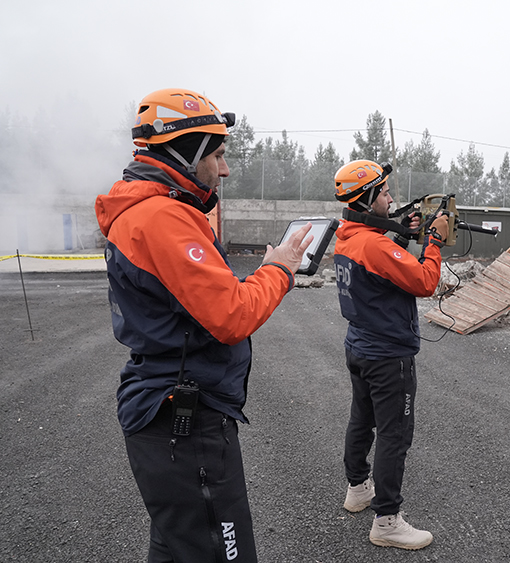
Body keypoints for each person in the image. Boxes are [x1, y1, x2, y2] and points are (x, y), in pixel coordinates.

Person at [94, 88, 312, 563]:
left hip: (167, 414)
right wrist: (280, 269)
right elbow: (232, 315)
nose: (226, 168)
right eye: (217, 154)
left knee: (178, 547)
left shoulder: (147, 210)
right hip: (184, 422)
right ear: (184, 151)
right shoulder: (162, 217)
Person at [332, 159, 449, 550]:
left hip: (360, 345)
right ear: (367, 198)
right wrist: (433, 241)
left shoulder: (349, 235)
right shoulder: (374, 244)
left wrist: (402, 234)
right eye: (384, 192)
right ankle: (386, 520)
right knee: (394, 436)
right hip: (387, 356)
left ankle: (358, 490)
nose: (391, 197)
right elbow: (425, 281)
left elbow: (380, 269)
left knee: (361, 421)